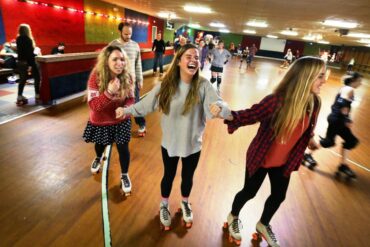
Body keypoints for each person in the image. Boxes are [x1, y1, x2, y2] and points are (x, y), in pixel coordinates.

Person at [115, 44, 231, 231]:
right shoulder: (166, 85)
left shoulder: (203, 85)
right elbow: (145, 105)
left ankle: (185, 202)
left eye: (195, 57)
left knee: (187, 177)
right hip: (170, 144)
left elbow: (218, 103)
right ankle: (164, 205)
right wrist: (126, 111)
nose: (193, 60)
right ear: (178, 61)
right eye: (188, 57)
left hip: (193, 144)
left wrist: (222, 109)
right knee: (168, 176)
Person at [221, 57, 326, 246]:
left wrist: (310, 138)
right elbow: (250, 114)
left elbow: (307, 127)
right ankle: (233, 216)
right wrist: (226, 113)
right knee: (249, 192)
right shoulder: (276, 101)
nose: (324, 81)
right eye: (320, 76)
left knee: (279, 196)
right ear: (305, 77)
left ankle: (263, 224)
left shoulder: (315, 103)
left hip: (285, 161)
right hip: (261, 157)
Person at [82, 45, 135, 195]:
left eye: (122, 59)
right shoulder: (96, 77)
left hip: (121, 120)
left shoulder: (128, 77)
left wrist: (125, 109)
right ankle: (98, 157)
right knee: (100, 145)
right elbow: (94, 105)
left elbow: (131, 98)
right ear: (106, 61)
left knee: (123, 148)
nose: (120, 63)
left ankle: (124, 174)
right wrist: (109, 92)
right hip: (101, 121)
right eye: (115, 59)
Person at [303, 72, 362, 178]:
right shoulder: (350, 89)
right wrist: (346, 119)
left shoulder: (345, 88)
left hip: (337, 119)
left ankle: (343, 165)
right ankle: (307, 155)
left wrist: (346, 118)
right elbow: (342, 103)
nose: (360, 84)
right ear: (354, 81)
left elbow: (343, 104)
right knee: (329, 141)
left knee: (350, 141)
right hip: (337, 120)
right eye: (359, 81)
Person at [109, 22, 146, 137]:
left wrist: (140, 79)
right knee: (117, 105)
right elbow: (108, 63)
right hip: (117, 82)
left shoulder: (135, 45)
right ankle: (118, 128)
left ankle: (142, 124)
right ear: (120, 32)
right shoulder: (113, 45)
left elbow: (138, 63)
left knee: (135, 104)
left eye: (130, 34)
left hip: (132, 82)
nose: (128, 36)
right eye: (126, 34)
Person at [15, 24, 41, 106]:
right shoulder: (28, 39)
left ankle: (19, 96)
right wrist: (35, 53)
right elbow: (29, 54)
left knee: (22, 79)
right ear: (27, 30)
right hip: (28, 61)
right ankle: (37, 94)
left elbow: (21, 51)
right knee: (37, 77)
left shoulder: (18, 39)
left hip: (20, 61)